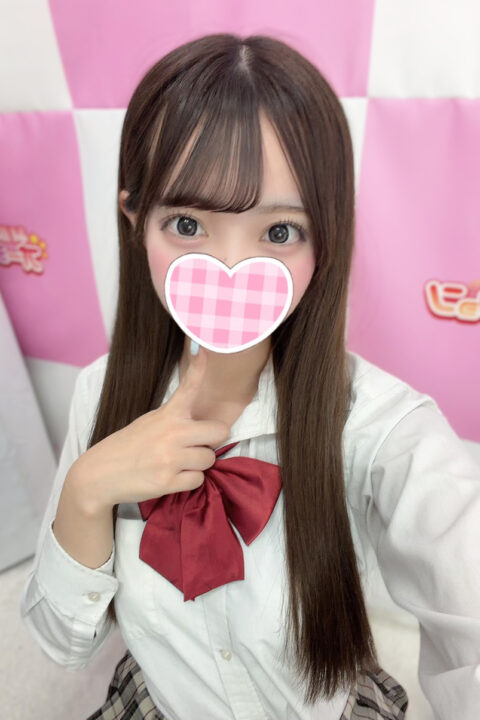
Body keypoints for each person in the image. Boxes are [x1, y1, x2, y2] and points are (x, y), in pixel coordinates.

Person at [20, 33, 480, 720]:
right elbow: (61, 644)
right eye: (186, 223)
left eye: (279, 232)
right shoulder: (100, 392)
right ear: (135, 220)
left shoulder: (380, 425)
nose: (230, 270)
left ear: (327, 236)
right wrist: (86, 492)